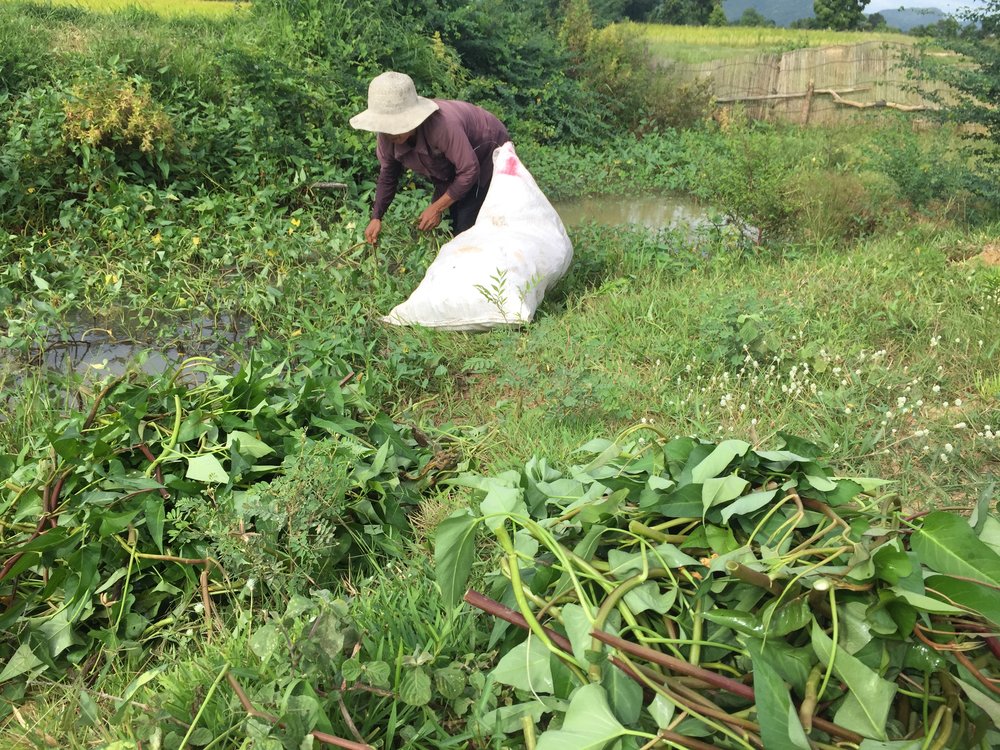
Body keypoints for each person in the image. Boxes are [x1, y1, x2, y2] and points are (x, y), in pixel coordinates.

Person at [350, 71, 509, 245]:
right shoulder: (387, 137)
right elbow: (388, 175)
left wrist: (437, 208)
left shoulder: (442, 126)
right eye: (386, 127)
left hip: (486, 150)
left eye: (396, 125)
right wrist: (376, 216)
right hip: (448, 165)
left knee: (466, 222)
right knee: (449, 213)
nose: (391, 133)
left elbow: (469, 170)